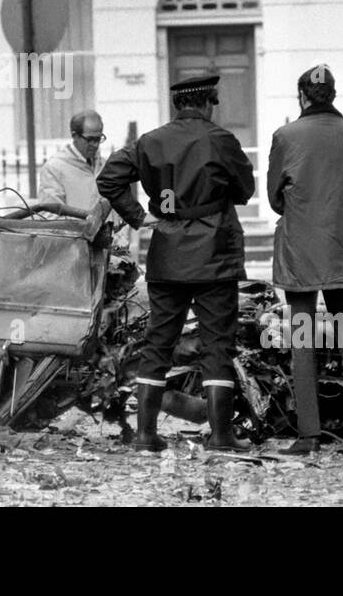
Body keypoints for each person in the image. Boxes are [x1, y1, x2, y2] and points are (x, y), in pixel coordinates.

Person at [97, 75, 255, 452]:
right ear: (207, 103)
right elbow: (245, 190)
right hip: (214, 254)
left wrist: (139, 216)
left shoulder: (150, 141)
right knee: (217, 345)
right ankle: (220, 436)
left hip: (168, 252)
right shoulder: (221, 140)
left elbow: (109, 180)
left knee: (158, 343)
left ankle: (145, 434)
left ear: (177, 105)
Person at [267, 66, 343, 454]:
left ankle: (309, 435)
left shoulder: (286, 136)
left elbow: (275, 198)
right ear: (332, 93)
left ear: (303, 96)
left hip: (303, 256)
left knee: (302, 343)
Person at [37, 110, 106, 212]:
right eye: (90, 139)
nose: (95, 145)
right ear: (75, 136)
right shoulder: (54, 168)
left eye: (98, 139)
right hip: (75, 228)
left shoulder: (104, 164)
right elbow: (50, 216)